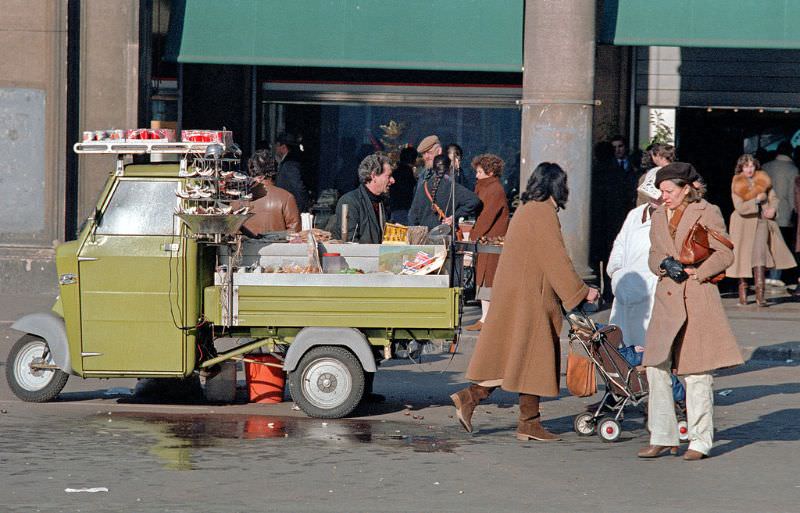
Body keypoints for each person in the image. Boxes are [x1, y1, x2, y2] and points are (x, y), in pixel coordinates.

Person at [450, 162, 600, 441]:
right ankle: (522, 420)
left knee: (521, 358)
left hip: (518, 294)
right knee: (531, 357)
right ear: (557, 185)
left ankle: (483, 402)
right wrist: (580, 291)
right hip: (532, 297)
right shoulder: (542, 212)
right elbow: (555, 259)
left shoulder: (528, 209)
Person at [639, 162, 744, 461]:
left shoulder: (707, 211)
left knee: (697, 373)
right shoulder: (658, 215)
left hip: (698, 298)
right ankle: (661, 435)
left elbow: (725, 252)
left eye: (669, 191)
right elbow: (653, 254)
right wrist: (663, 265)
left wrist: (698, 272)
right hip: (667, 299)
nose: (664, 197)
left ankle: (700, 441)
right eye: (661, 191)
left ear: (687, 189)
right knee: (656, 368)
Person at [727, 154, 796, 306]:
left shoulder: (764, 180)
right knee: (742, 259)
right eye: (746, 166)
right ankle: (743, 295)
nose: (749, 169)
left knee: (760, 257)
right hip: (742, 224)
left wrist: (772, 209)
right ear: (741, 167)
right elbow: (739, 207)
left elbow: (774, 198)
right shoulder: (737, 182)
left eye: (751, 165)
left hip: (761, 222)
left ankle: (760, 296)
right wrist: (756, 200)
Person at [464, 154, 510, 332]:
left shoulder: (493, 190)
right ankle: (485, 318)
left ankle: (487, 319)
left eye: (480, 172)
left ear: (490, 172)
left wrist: (473, 235)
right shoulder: (488, 188)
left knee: (488, 279)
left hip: (491, 241)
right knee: (485, 280)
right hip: (488, 241)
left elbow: (486, 217)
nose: (476, 175)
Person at [332, 154, 394, 243]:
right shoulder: (350, 202)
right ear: (373, 176)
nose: (393, 180)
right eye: (389, 176)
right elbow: (350, 242)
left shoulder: (383, 202)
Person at [408, 155, 481, 230]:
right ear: (449, 169)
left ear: (433, 168)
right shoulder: (453, 188)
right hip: (445, 235)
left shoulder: (423, 186)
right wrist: (454, 216)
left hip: (424, 235)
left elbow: (413, 215)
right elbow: (474, 200)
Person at [762, 141, 799, 287]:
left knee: (765, 243)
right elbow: (792, 195)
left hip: (764, 211)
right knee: (780, 245)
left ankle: (763, 274)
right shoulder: (793, 170)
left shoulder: (765, 167)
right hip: (783, 213)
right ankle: (775, 275)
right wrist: (794, 212)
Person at [240, 150, 300, 236]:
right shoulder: (287, 197)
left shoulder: (239, 198)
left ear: (250, 169)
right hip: (277, 248)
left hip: (245, 247)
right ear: (275, 170)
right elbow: (295, 233)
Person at [274, 133, 309, 213]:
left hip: (290, 209)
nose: (275, 149)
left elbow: (298, 188)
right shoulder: (287, 163)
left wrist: (301, 211)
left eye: (277, 146)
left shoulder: (289, 165)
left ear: (283, 147)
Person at [388, 146, 417, 225]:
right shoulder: (408, 174)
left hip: (395, 208)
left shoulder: (395, 172)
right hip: (405, 209)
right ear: (413, 159)